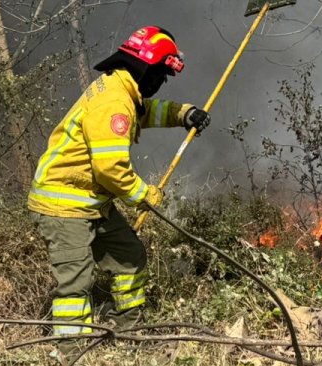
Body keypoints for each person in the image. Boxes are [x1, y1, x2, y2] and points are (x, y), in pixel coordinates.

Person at [28, 26, 211, 336]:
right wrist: (145, 195)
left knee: (130, 257)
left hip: (91, 203)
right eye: (161, 75)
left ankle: (128, 329)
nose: (161, 83)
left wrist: (184, 114)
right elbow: (110, 170)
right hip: (63, 205)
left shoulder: (121, 89)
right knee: (76, 282)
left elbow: (144, 112)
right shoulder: (113, 103)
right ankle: (74, 353)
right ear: (147, 67)